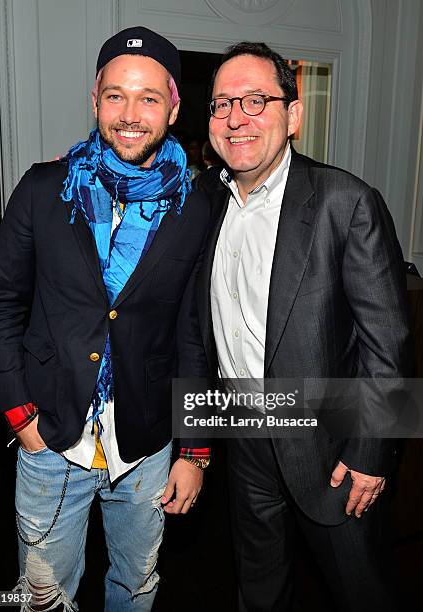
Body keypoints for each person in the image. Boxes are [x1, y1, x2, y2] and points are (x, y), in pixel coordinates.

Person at [0, 26, 210, 612]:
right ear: (95, 99)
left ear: (174, 107)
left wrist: (194, 450)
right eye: (116, 95)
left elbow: (195, 333)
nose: (130, 114)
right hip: (50, 437)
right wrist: (19, 416)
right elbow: (0, 304)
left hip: (148, 443)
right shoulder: (42, 187)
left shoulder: (200, 204)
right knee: (42, 598)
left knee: (136, 588)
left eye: (149, 98)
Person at [196, 41, 412, 611]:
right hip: (240, 435)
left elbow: (387, 344)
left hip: (332, 448)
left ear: (293, 115)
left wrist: (372, 450)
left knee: (362, 592)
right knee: (258, 589)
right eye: (222, 104)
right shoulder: (204, 202)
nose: (235, 118)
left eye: (255, 100)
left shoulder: (346, 201)